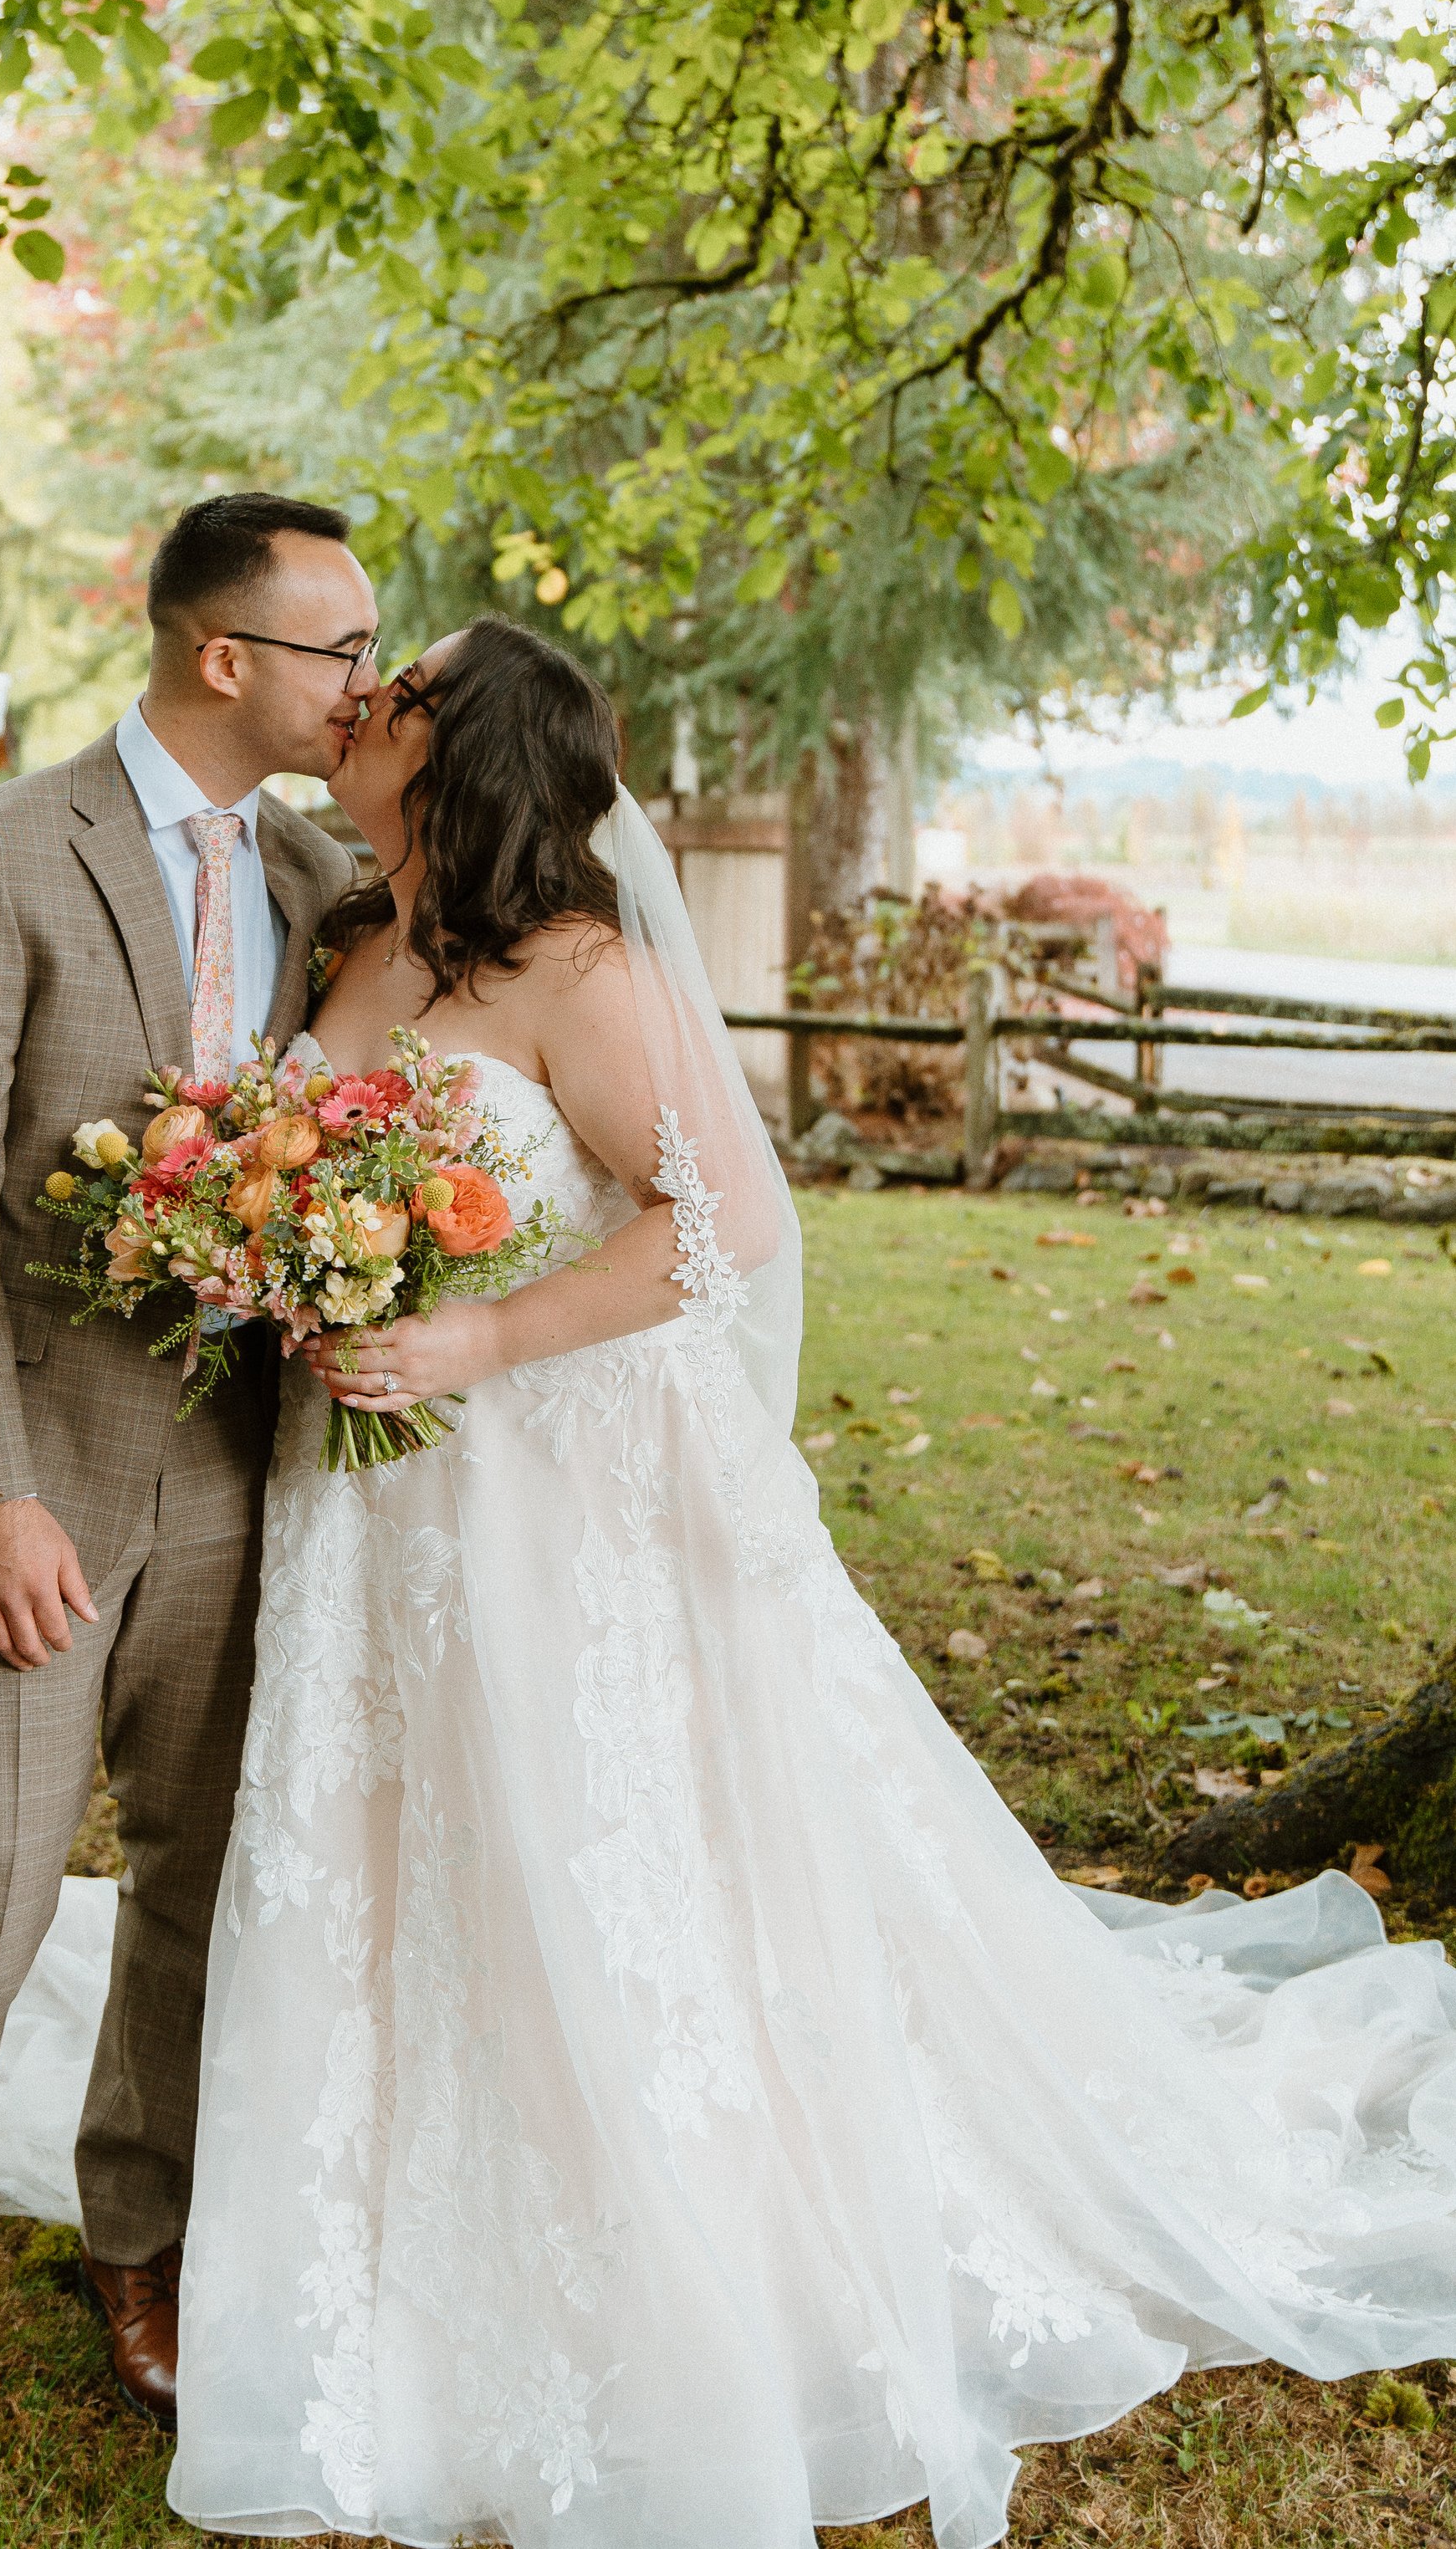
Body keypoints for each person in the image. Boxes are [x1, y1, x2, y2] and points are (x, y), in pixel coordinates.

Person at [160, 617, 1456, 2548]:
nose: (361, 700)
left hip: (540, 1481)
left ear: (466, 752)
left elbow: (723, 1226)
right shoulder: (347, 934)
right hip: (374, 1502)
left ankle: (657, 2226)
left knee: (591, 1838)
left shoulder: (574, 966)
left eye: (400, 686)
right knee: (398, 1839)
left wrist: (476, 1343)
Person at [0, 493, 366, 2495]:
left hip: (244, 1470)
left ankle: (141, 2247)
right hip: (30, 1477)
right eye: (337, 645)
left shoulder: (326, 878)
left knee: (206, 1882)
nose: (362, 678)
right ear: (223, 655)